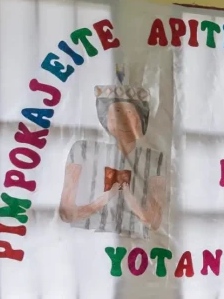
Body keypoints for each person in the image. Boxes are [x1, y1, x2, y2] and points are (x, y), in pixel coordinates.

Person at [59, 81, 168, 241]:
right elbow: (66, 213)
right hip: (83, 243)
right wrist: (101, 201)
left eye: (130, 113)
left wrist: (131, 199)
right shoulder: (81, 150)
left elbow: (155, 222)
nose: (123, 119)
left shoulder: (154, 159)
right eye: (116, 111)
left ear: (141, 120)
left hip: (136, 248)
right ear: (105, 119)